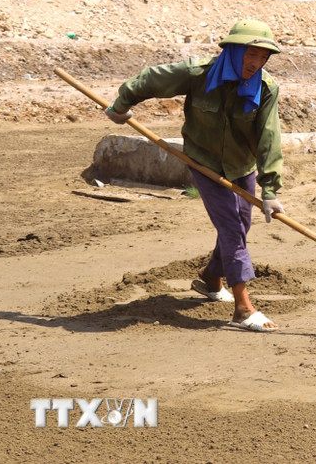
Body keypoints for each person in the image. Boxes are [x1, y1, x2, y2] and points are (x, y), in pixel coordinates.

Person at [105, 19, 285, 332]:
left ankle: (210, 278)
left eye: (262, 57)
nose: (256, 63)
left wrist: (270, 191)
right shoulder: (198, 73)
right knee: (230, 225)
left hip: (243, 164)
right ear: (233, 50)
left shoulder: (266, 88)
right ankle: (243, 308)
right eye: (250, 55)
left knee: (242, 224)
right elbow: (151, 79)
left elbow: (269, 138)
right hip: (204, 161)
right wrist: (121, 105)